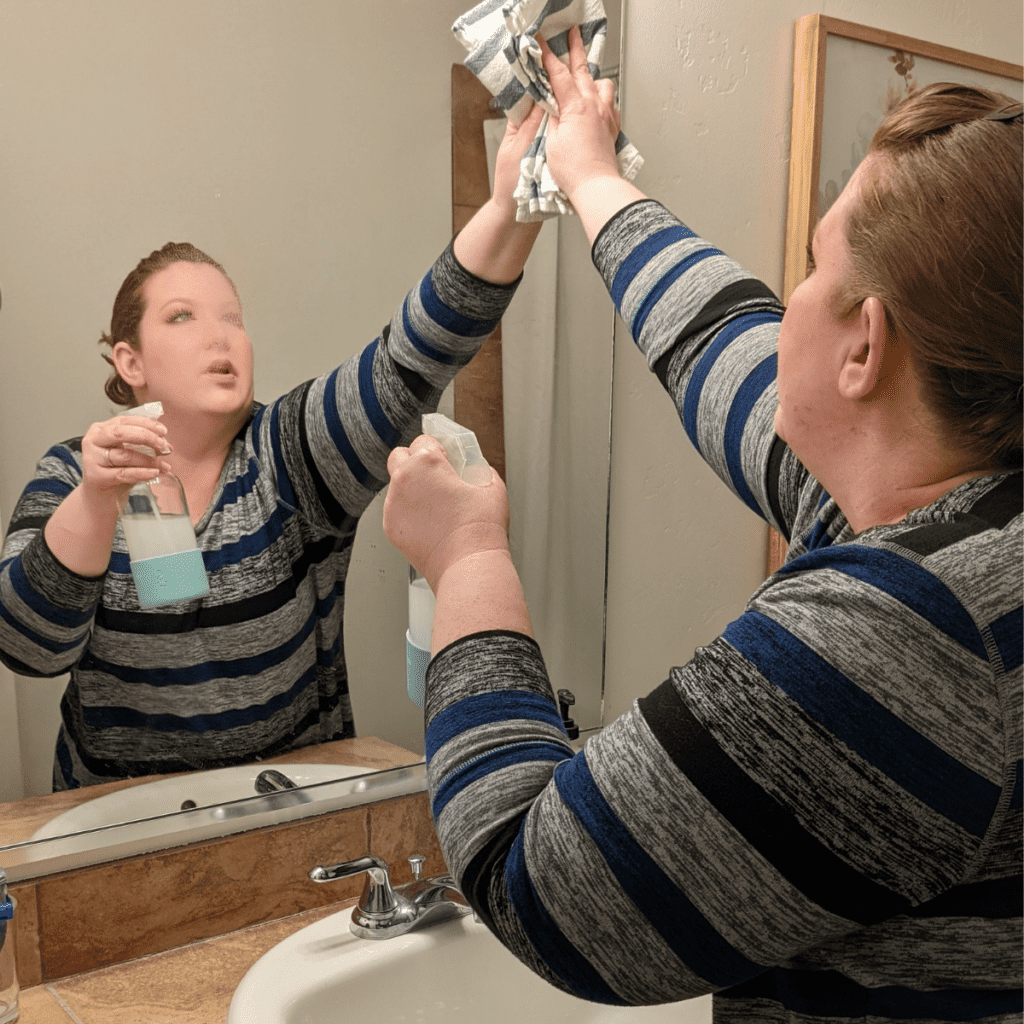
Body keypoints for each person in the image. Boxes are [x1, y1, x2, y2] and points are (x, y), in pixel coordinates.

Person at [382, 26, 1022, 1024]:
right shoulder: (969, 519)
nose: (786, 302)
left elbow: (533, 882)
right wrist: (589, 174)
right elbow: (720, 338)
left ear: (865, 348)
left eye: (811, 263)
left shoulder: (904, 635)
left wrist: (464, 556)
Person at [0, 101, 548, 791]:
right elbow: (28, 649)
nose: (221, 334)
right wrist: (95, 499)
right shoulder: (70, 472)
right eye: (183, 317)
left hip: (285, 808)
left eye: (234, 318)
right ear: (129, 362)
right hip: (117, 829)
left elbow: (409, 361)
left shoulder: (290, 454)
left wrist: (510, 206)